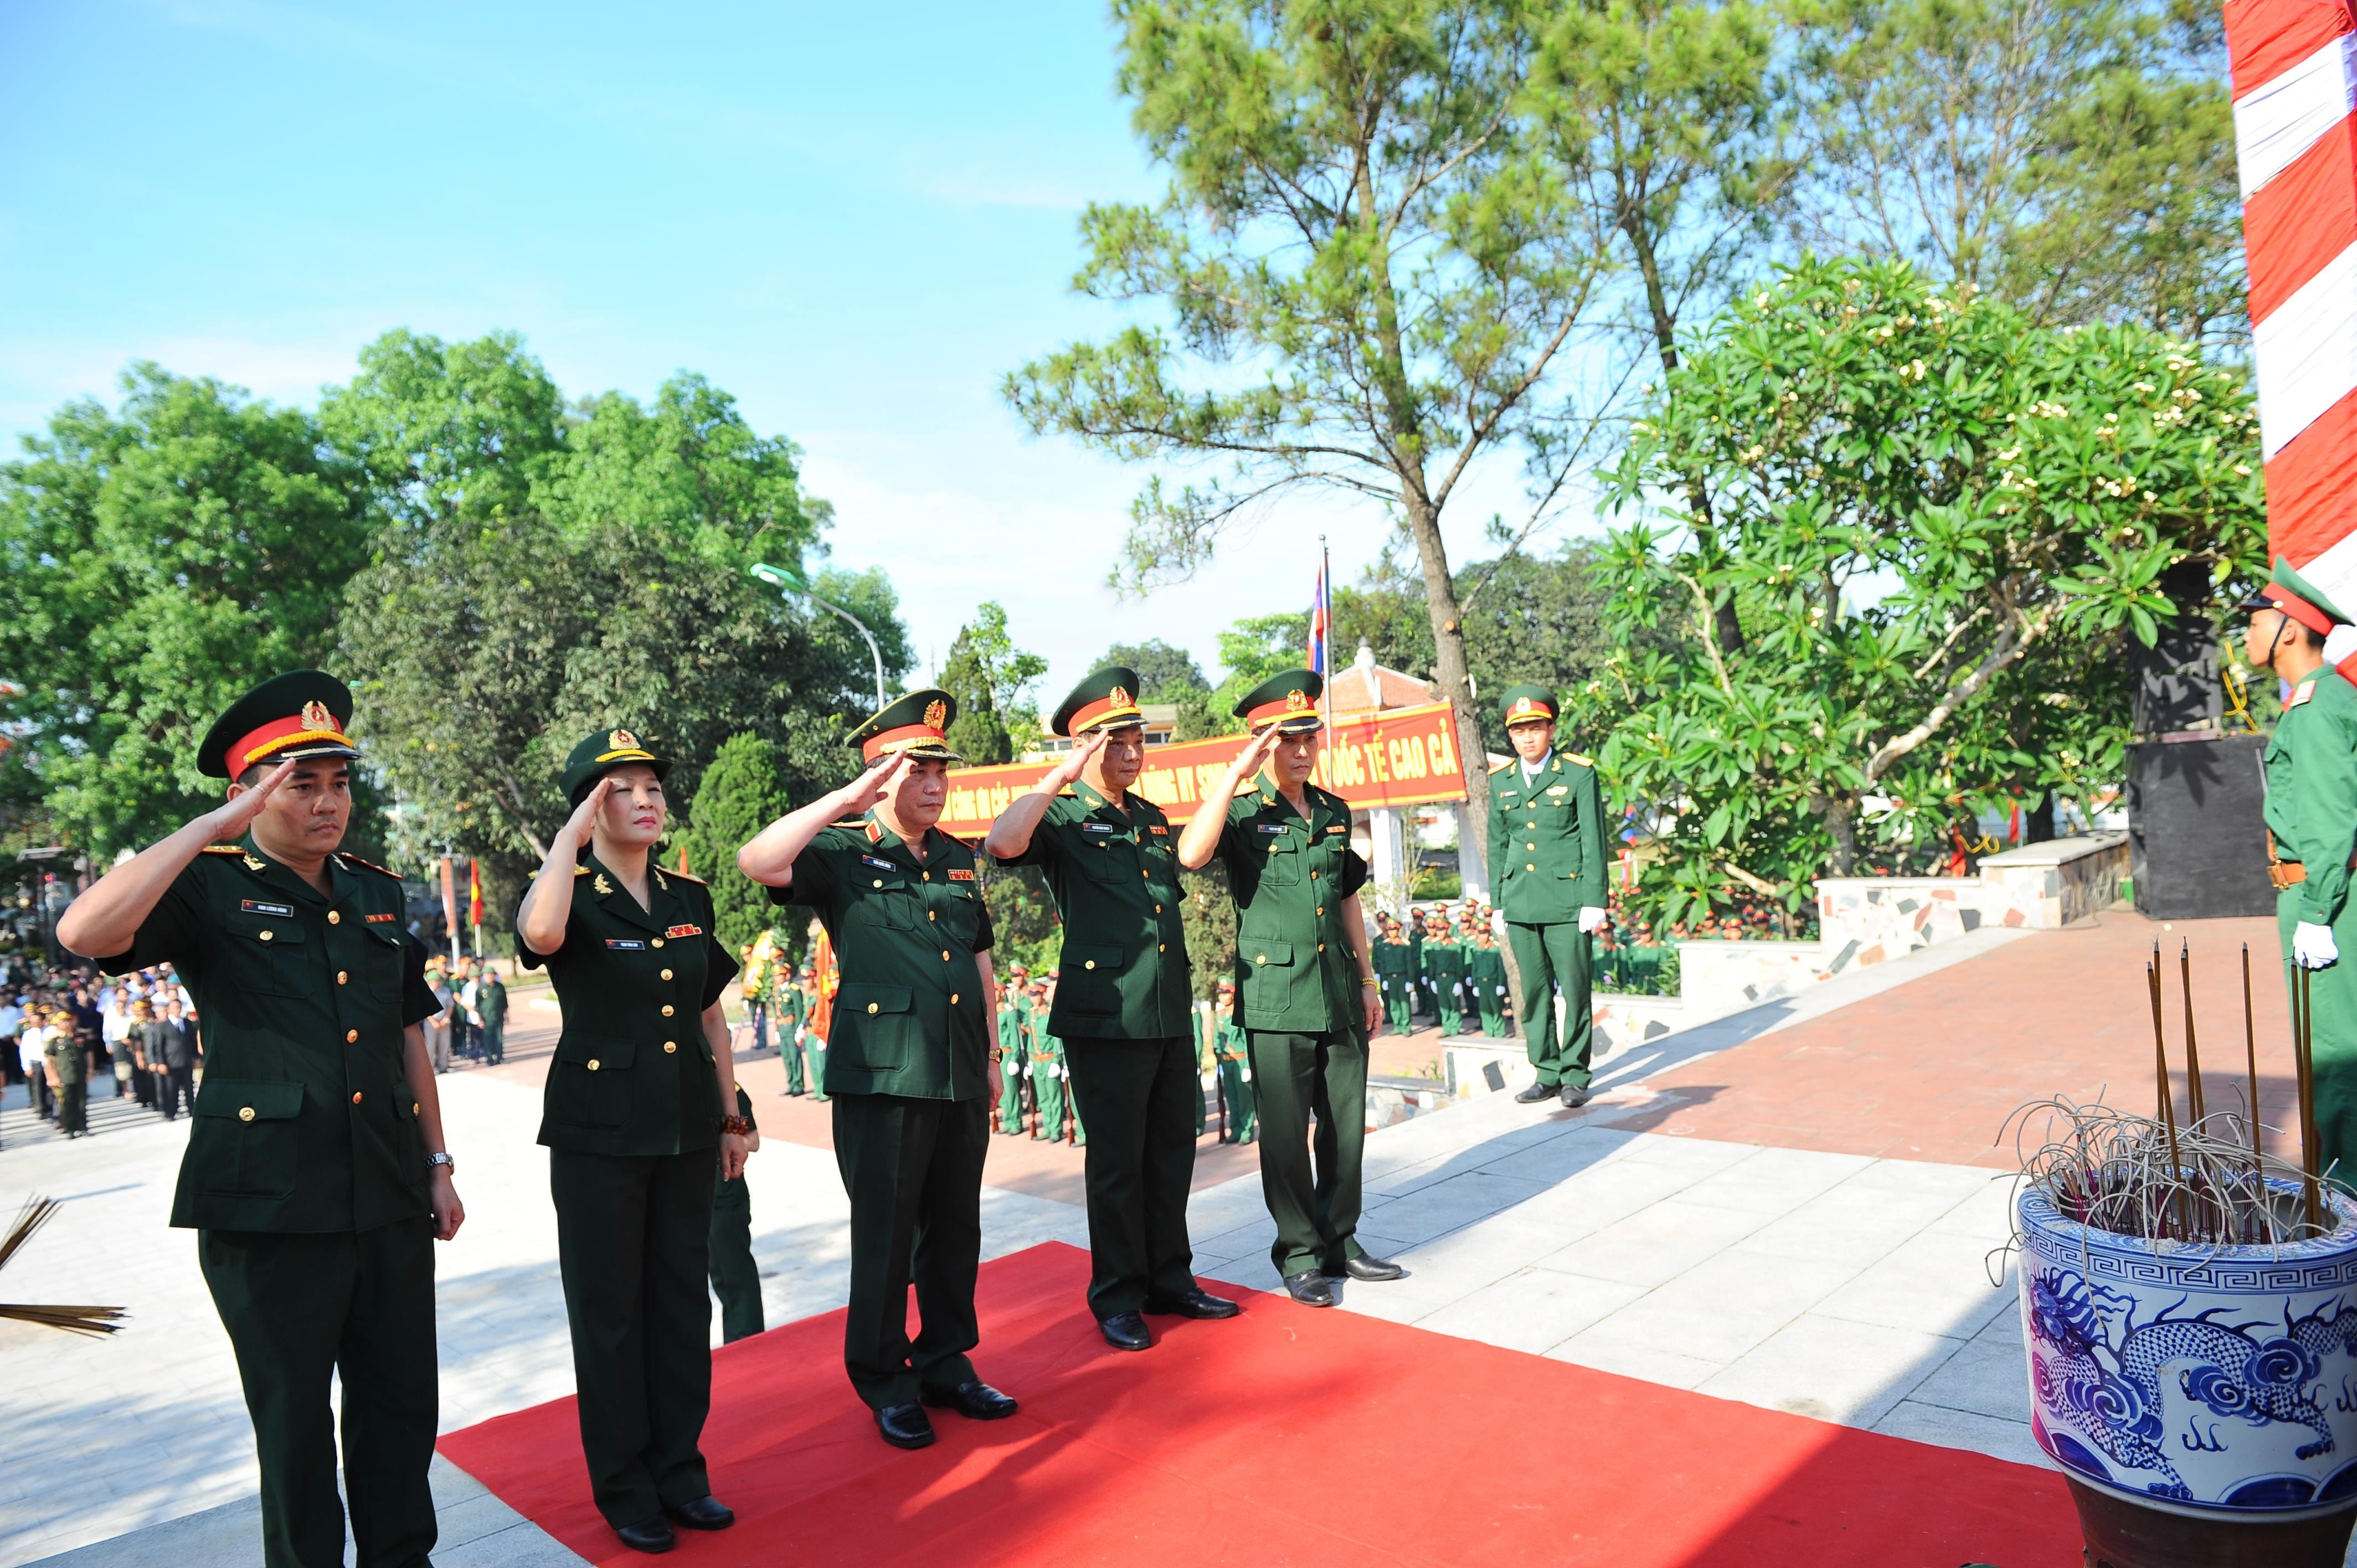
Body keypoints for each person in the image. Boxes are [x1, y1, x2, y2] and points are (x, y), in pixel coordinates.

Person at [54, 669, 462, 1568]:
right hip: (268, 1204)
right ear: (248, 794)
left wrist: (438, 1163)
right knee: (293, 1422)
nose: (326, 803)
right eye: (298, 783)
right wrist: (209, 828)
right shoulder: (208, 887)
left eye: (337, 781)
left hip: (388, 1189)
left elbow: (406, 1037)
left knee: (400, 1407)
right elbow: (84, 932)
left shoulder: (377, 892)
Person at [737, 689, 1018, 1452]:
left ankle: (946, 1363)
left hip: (958, 1069)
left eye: (940, 772)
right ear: (881, 775)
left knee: (955, 1228)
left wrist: (992, 1055)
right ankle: (885, 1379)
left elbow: (982, 961)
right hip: (884, 1078)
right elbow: (755, 859)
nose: (935, 784)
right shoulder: (839, 853)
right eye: (918, 771)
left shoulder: (959, 860)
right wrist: (845, 801)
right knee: (887, 1235)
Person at [513, 728, 747, 1556]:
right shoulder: (565, 893)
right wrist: (566, 843)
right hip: (597, 1133)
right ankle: (625, 1486)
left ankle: (682, 1471)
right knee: (611, 1315)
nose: (647, 800)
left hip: (685, 1123)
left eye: (653, 785)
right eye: (623, 789)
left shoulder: (688, 897)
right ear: (589, 806)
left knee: (681, 1303)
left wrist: (733, 1113)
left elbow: (710, 1014)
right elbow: (539, 940)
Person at [982, 667, 1239, 1348]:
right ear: (1084, 747)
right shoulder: (1061, 816)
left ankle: (1170, 1279)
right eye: (1115, 742)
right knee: (1118, 1163)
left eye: (1136, 740)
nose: (1130, 752)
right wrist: (1054, 778)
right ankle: (1118, 1294)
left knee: (1170, 1153)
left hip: (1163, 1009)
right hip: (1104, 1017)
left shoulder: (1149, 818)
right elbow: (1001, 844)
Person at [1175, 669, 1397, 1308]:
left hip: (1336, 990)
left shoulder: (1331, 811)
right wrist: (1232, 776)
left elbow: (1347, 896)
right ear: (1262, 745)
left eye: (1309, 739)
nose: (1301, 751)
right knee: (1283, 1134)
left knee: (1345, 1128)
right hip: (1275, 997)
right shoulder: (1243, 814)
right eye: (1286, 740)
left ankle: (1340, 1242)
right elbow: (1190, 854)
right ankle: (1299, 1253)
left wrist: (1366, 977)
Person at [2245, 559, 2357, 1166]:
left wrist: (2314, 912)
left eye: (2255, 623)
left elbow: (2328, 822)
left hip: (2324, 899)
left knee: (2334, 1056)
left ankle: (2344, 1213)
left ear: (2288, 629)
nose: (2245, 636)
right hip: (2318, 894)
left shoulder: (2314, 709)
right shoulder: (2316, 700)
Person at [1488, 684, 1608, 1110]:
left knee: (1574, 990)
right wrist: (1497, 903)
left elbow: (1593, 840)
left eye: (1535, 728)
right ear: (1510, 736)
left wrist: (1595, 899)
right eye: (1519, 731)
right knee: (1534, 992)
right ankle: (1547, 1072)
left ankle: (1575, 1074)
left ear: (1551, 729)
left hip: (1567, 901)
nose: (1527, 738)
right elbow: (1498, 844)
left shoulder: (1577, 774)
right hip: (1519, 902)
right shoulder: (1500, 781)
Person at [708, 1085, 766, 1344]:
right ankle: (736, 1341)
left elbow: (753, 1140)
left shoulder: (729, 1091)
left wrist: (721, 1141)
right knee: (720, 1277)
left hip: (725, 1196)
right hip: (701, 1197)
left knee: (736, 1277)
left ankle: (747, 1341)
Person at [1213, 981, 1255, 1144]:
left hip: (1241, 1060)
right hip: (1226, 1063)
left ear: (1233, 994)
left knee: (1244, 1099)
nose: (1223, 996)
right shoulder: (1220, 1016)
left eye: (1226, 993)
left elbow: (1246, 1040)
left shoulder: (1240, 1014)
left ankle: (1246, 1131)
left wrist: (1248, 1066)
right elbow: (1218, 1040)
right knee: (1231, 1099)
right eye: (1221, 993)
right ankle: (1235, 1130)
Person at [151, 998, 200, 1121]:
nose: (178, 1010)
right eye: (175, 1008)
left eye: (179, 1008)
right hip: (171, 1062)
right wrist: (161, 1063)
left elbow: (192, 1042)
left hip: (186, 1060)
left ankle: (192, 1109)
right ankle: (170, 1112)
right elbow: (159, 1046)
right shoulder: (162, 1026)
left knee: (189, 1087)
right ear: (169, 1010)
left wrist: (196, 1057)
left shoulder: (187, 1023)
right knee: (171, 1089)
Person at [44, 1007, 88, 1137]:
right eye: (62, 1022)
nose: (65, 1024)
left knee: (81, 1102)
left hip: (79, 1074)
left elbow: (88, 1054)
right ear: (58, 1024)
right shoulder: (54, 1041)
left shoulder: (79, 1037)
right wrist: (52, 1077)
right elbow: (49, 1061)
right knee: (67, 1103)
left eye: (67, 1021)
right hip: (64, 1076)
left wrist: (90, 1070)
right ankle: (70, 1129)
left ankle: (83, 1126)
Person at [992, 976, 1027, 1134]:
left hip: (1007, 1054)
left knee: (1012, 1091)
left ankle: (1016, 1122)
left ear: (1001, 991)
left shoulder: (1009, 1012)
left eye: (994, 991)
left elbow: (1015, 1037)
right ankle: (1008, 1120)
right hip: (995, 1055)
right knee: (1003, 1092)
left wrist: (1014, 1058)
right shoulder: (993, 1011)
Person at [1422, 912, 1465, 1036]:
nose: (1440, 932)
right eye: (1438, 929)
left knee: (1454, 1004)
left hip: (1452, 977)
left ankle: (1456, 1028)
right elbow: (1432, 965)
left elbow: (1459, 964)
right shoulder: (1434, 946)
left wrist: (1459, 981)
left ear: (1448, 929)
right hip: (1439, 978)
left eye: (1443, 929)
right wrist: (1432, 980)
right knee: (1444, 1004)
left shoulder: (1455, 944)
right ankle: (1447, 1028)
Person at [1469, 925, 1510, 1037]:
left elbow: (1500, 968)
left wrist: (1501, 984)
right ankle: (1488, 1031)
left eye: (1485, 933)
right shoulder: (1477, 949)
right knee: (1484, 1009)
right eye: (1481, 933)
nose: (1483, 936)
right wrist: (1475, 984)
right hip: (1481, 982)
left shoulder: (1495, 948)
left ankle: (1499, 1032)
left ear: (1489, 934)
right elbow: (1475, 968)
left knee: (1496, 1008)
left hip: (1493, 982)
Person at [476, 967, 507, 1065]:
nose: (489, 976)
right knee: (488, 1039)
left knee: (499, 1038)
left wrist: (506, 1015)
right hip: (486, 1017)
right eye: (487, 975)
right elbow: (478, 1005)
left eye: (491, 974)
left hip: (499, 1017)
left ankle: (500, 1057)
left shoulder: (500, 987)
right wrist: (480, 1019)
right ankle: (489, 1058)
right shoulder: (481, 988)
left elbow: (504, 1002)